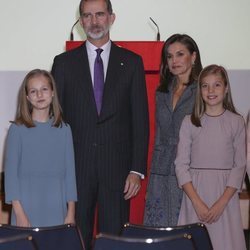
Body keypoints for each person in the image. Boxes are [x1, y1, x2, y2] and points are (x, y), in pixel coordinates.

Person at [51, 0, 149, 249]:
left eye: (99, 15)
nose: (94, 21)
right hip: (75, 170)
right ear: (81, 21)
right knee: (75, 237)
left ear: (112, 18)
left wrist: (136, 170)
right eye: (87, 16)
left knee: (114, 240)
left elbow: (140, 120)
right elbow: (55, 121)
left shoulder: (132, 62)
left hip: (117, 172)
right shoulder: (62, 64)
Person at [175, 64, 246, 250]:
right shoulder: (189, 122)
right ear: (200, 90)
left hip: (225, 198)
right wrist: (197, 203)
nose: (211, 90)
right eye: (205, 86)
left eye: (217, 85)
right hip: (195, 196)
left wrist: (221, 203)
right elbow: (181, 165)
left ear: (226, 88)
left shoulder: (237, 122)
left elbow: (239, 166)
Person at [4, 69, 77, 227]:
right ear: (27, 97)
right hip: (25, 212)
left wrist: (71, 212)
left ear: (52, 93)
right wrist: (19, 213)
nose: (39, 95)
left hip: (58, 212)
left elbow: (70, 175)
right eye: (33, 91)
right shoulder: (17, 130)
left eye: (44, 89)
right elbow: (11, 177)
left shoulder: (64, 130)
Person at [144, 34, 202, 226]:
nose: (174, 61)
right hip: (160, 174)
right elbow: (159, 134)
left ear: (193, 57)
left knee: (186, 233)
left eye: (180, 54)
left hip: (189, 172)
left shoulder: (203, 91)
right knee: (158, 233)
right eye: (169, 56)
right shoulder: (161, 92)